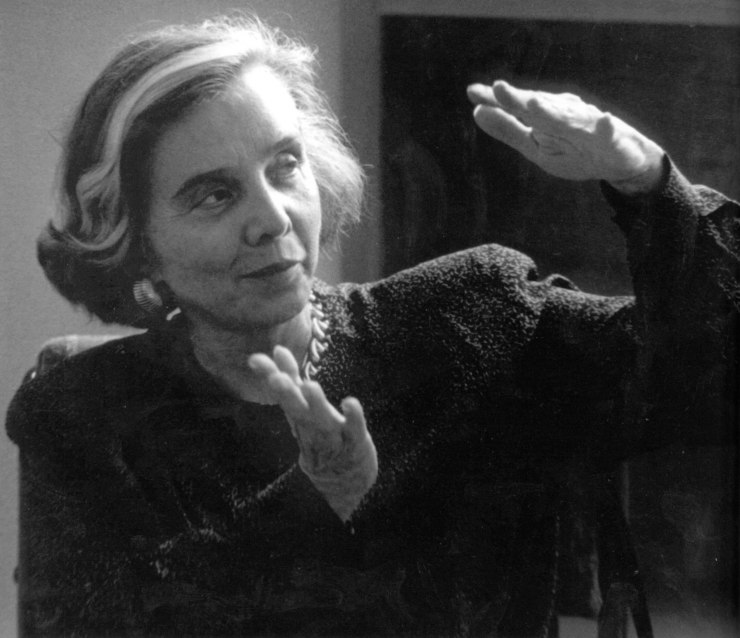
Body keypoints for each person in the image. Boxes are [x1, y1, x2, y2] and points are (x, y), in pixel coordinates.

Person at [6, 15, 737, 638]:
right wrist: (312, 503)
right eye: (214, 195)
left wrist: (647, 182)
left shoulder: (470, 319)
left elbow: (706, 381)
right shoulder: (80, 415)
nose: (273, 218)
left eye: (285, 165)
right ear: (136, 242)